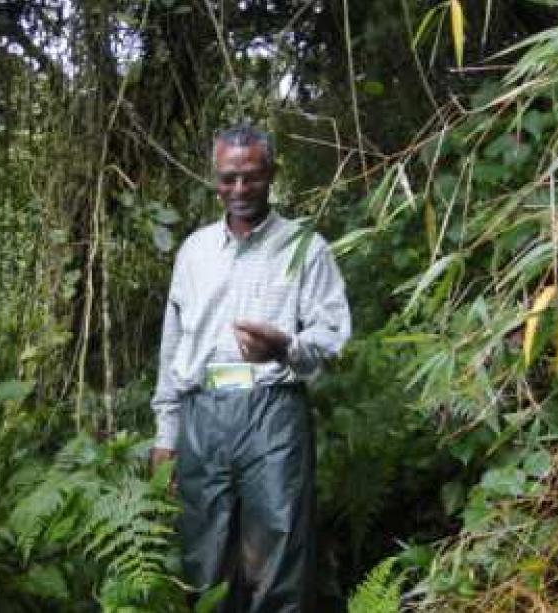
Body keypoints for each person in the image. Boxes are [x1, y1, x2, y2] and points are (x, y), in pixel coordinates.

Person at [149, 124, 351, 612]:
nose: (239, 190)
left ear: (272, 175)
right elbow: (173, 350)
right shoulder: (193, 251)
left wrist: (285, 347)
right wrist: (166, 435)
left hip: (273, 414)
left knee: (279, 555)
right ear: (215, 178)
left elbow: (334, 337)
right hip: (203, 415)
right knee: (204, 554)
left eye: (251, 178)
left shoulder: (305, 246)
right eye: (227, 179)